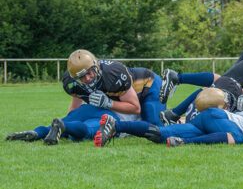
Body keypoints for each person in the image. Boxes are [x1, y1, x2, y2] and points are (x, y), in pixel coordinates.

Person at [6, 49, 162, 144]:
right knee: (86, 128)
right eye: (82, 77)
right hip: (109, 111)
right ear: (74, 78)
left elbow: (135, 108)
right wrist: (70, 119)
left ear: (96, 66)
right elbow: (75, 108)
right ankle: (39, 132)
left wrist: (108, 103)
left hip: (147, 86)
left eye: (89, 73)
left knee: (154, 126)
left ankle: (44, 131)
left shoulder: (113, 74)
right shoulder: (73, 83)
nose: (87, 78)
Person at [96, 87, 243, 147]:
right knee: (239, 138)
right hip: (220, 118)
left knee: (160, 134)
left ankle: (117, 125)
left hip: (208, 119)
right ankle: (185, 143)